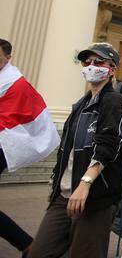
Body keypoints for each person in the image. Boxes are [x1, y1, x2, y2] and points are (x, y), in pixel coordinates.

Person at [28, 43, 122, 258]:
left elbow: (109, 144)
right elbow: (66, 150)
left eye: (99, 62)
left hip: (95, 196)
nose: (92, 66)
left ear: (111, 69)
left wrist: (85, 183)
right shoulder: (80, 104)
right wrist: (55, 183)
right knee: (39, 251)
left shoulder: (115, 100)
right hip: (64, 194)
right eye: (87, 62)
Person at [0, 38, 61, 257]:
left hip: (4, 144)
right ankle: (27, 245)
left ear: (8, 57)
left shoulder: (16, 84)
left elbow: (18, 115)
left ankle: (27, 245)